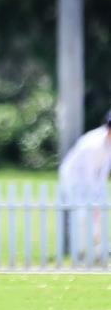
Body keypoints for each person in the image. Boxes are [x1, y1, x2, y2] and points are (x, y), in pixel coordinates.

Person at [58, 109, 111, 262]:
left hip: (91, 182)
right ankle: (82, 252)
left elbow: (102, 173)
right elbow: (88, 173)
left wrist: (99, 195)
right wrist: (94, 198)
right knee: (82, 214)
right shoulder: (93, 143)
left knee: (98, 214)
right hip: (74, 180)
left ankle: (95, 251)